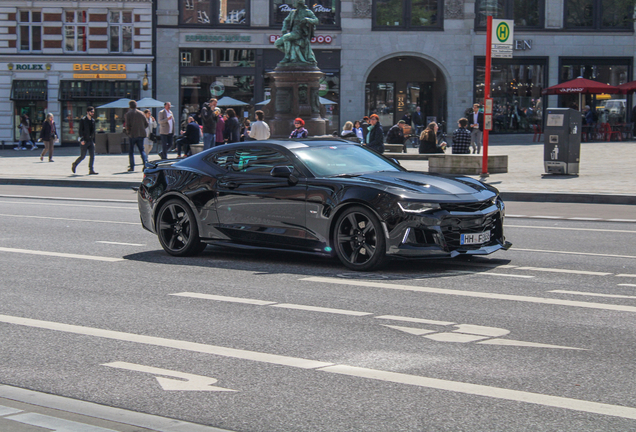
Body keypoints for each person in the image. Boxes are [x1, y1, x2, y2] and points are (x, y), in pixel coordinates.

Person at [274, 0, 319, 65]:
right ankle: (291, 55)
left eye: (294, 2)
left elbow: (316, 20)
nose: (293, 3)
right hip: (293, 33)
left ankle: (287, 57)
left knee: (286, 37)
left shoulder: (307, 12)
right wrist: (284, 28)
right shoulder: (292, 12)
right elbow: (286, 20)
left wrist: (307, 19)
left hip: (301, 33)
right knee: (277, 43)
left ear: (299, 3)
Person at [71, 106, 98, 174]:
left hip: (90, 140)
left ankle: (91, 169)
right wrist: (82, 139)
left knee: (92, 155)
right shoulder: (83, 120)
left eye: (93, 112)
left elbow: (93, 132)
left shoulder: (93, 121)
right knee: (83, 156)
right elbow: (80, 131)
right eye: (91, 112)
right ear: (88, 112)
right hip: (85, 140)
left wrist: (94, 141)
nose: (92, 113)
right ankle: (75, 164)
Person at [124, 100, 149, 172]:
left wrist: (128, 132)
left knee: (131, 151)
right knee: (142, 150)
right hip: (141, 134)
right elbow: (146, 124)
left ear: (130, 106)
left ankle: (132, 166)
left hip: (132, 135)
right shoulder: (141, 113)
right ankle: (146, 165)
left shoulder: (128, 114)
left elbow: (127, 125)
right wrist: (141, 128)